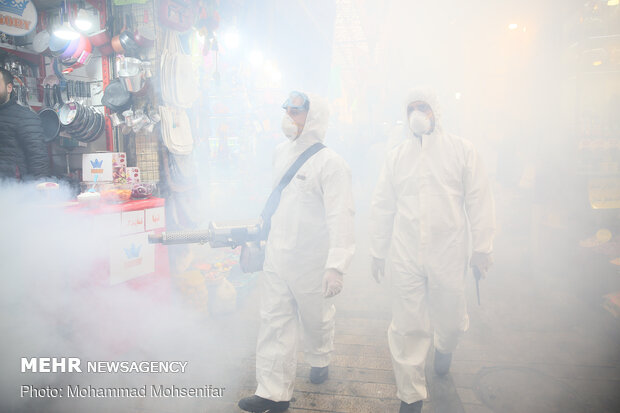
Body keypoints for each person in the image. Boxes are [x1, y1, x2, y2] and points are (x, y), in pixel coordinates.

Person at [369, 88, 495, 413]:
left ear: (435, 111)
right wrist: (378, 250)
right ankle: (410, 396)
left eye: (422, 107)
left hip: (449, 252)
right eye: (411, 108)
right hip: (406, 253)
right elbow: (383, 205)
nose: (417, 113)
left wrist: (482, 248)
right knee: (408, 324)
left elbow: (479, 199)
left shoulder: (461, 152)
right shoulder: (397, 156)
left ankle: (445, 344)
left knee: (451, 318)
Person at [238, 91, 355, 413]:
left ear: (313, 117)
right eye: (287, 111)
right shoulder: (280, 152)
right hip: (277, 254)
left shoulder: (332, 164)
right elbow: (277, 201)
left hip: (312, 260)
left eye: (296, 112)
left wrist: (336, 265)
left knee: (315, 319)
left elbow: (341, 215)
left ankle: (320, 356)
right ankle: (273, 393)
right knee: (274, 322)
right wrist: (260, 239)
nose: (289, 118)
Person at [0, 67, 50, 180]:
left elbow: (38, 157)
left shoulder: (25, 117)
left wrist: (39, 189)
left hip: (15, 189)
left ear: (9, 88)